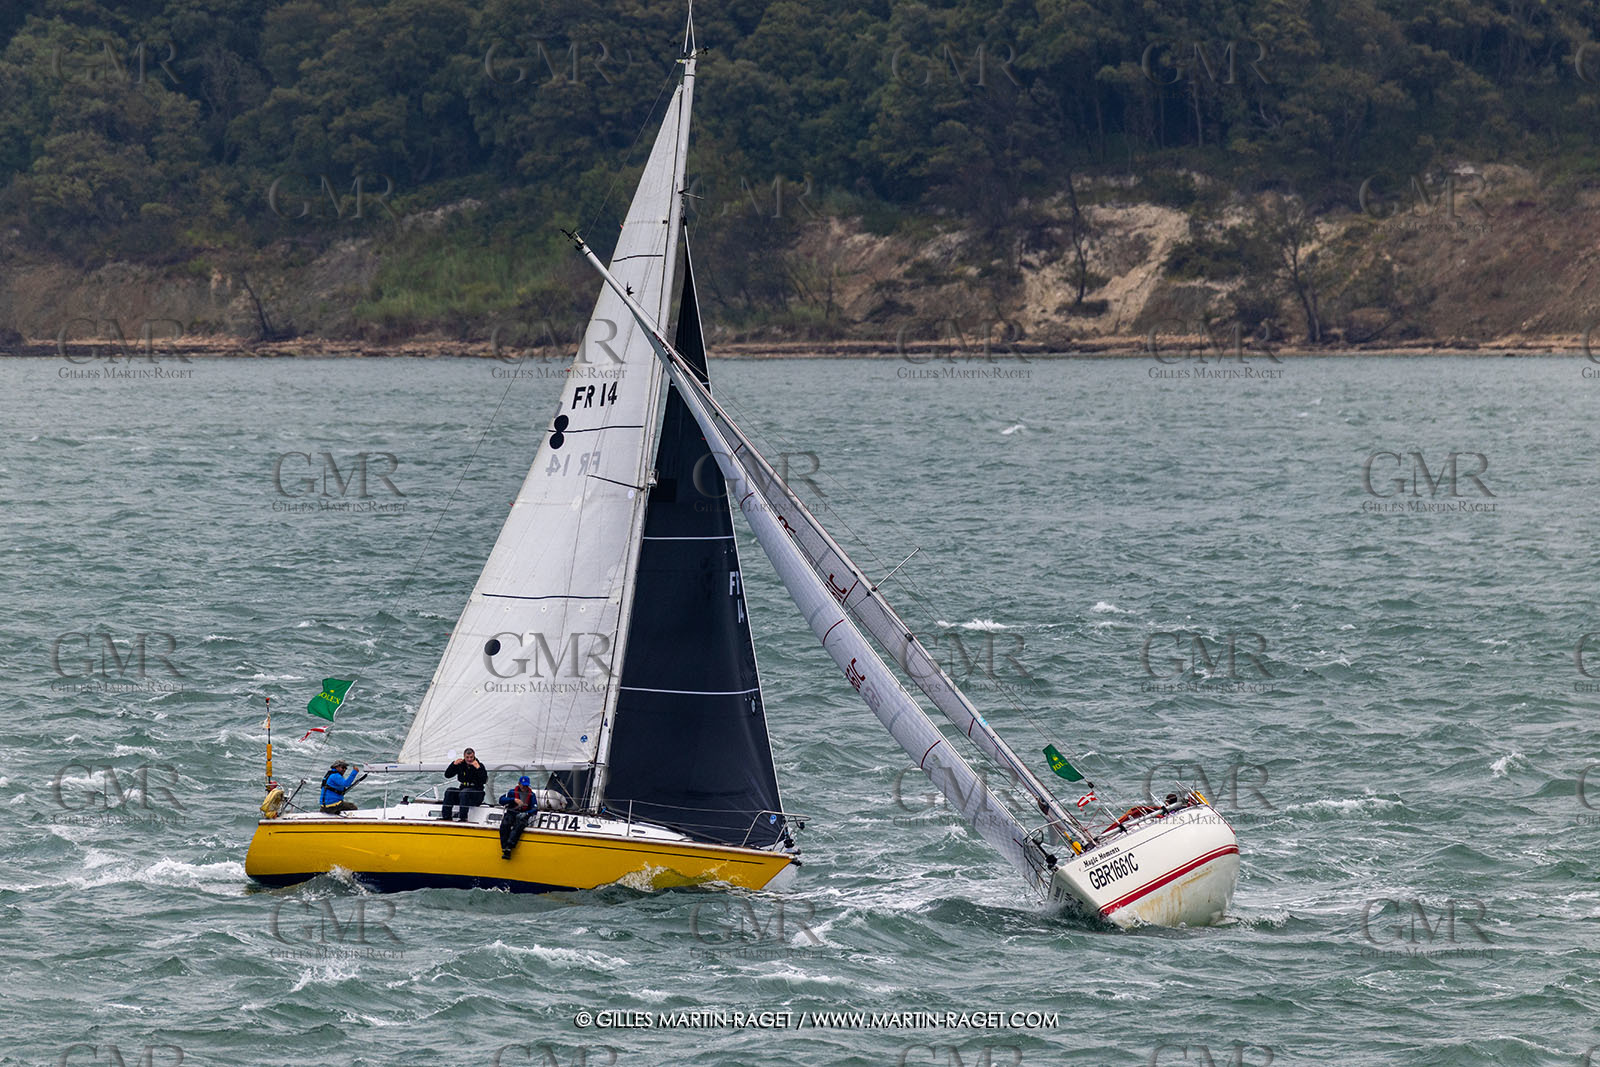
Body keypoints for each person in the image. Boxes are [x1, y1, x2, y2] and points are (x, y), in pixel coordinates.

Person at [440, 748, 487, 821]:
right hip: (463, 792)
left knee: (465, 793)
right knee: (450, 791)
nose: (469, 759)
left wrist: (478, 768)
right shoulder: (461, 765)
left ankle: (463, 818)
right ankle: (446, 817)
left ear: (474, 756)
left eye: (471, 757)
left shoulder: (479, 765)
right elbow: (447, 775)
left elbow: (484, 780)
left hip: (476, 793)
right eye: (467, 757)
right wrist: (453, 765)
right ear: (464, 757)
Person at [499, 775, 534, 858]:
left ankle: (509, 846)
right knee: (505, 824)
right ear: (519, 784)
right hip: (511, 813)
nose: (524, 787)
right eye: (523, 785)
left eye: (526, 785)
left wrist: (527, 813)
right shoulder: (511, 792)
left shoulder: (532, 795)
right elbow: (501, 800)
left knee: (519, 826)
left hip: (523, 814)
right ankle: (504, 846)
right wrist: (513, 800)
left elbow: (535, 808)